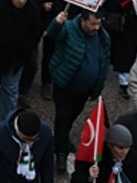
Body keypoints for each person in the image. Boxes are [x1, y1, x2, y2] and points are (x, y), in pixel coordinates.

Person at [47, 9, 110, 170]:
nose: (97, 27)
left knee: (70, 117)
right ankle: (61, 153)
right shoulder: (68, 29)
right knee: (63, 118)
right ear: (83, 21)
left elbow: (104, 59)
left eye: (99, 23)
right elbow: (54, 35)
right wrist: (57, 22)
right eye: (93, 23)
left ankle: (62, 139)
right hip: (65, 86)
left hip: (85, 90)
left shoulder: (103, 36)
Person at [0, 109, 55, 183]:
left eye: (33, 139)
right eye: (25, 139)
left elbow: (47, 165)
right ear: (17, 130)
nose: (29, 142)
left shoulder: (45, 133)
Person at [71, 124, 137, 183]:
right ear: (109, 145)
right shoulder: (95, 157)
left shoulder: (132, 159)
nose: (125, 152)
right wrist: (89, 178)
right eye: (120, 148)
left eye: (128, 147)